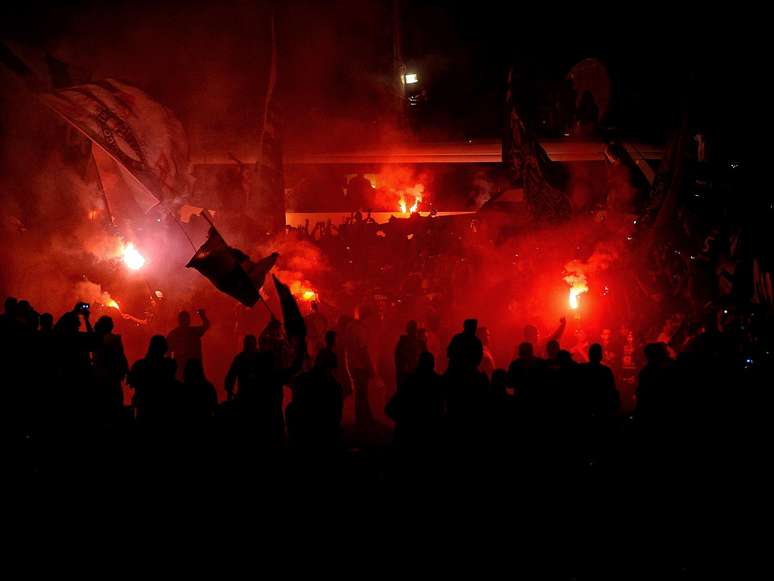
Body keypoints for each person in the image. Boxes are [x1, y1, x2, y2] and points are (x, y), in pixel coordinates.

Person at [92, 315, 129, 424]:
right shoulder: (114, 339)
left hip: (99, 378)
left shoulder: (96, 339)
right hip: (112, 378)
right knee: (115, 407)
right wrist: (125, 370)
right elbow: (121, 357)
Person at [167, 309, 210, 380]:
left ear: (179, 320)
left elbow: (168, 352)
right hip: (194, 368)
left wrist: (171, 366)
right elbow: (206, 326)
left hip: (180, 367)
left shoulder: (173, 334)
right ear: (189, 320)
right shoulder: (193, 332)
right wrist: (202, 315)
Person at [224, 334, 261, 402]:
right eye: (248, 345)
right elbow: (231, 377)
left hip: (256, 395)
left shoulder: (260, 358)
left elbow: (231, 377)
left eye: (251, 345)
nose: (250, 347)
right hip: (246, 395)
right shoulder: (240, 359)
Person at [394, 320, 424, 391]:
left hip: (412, 374)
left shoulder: (419, 343)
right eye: (412, 330)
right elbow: (398, 358)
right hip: (406, 374)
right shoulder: (403, 343)